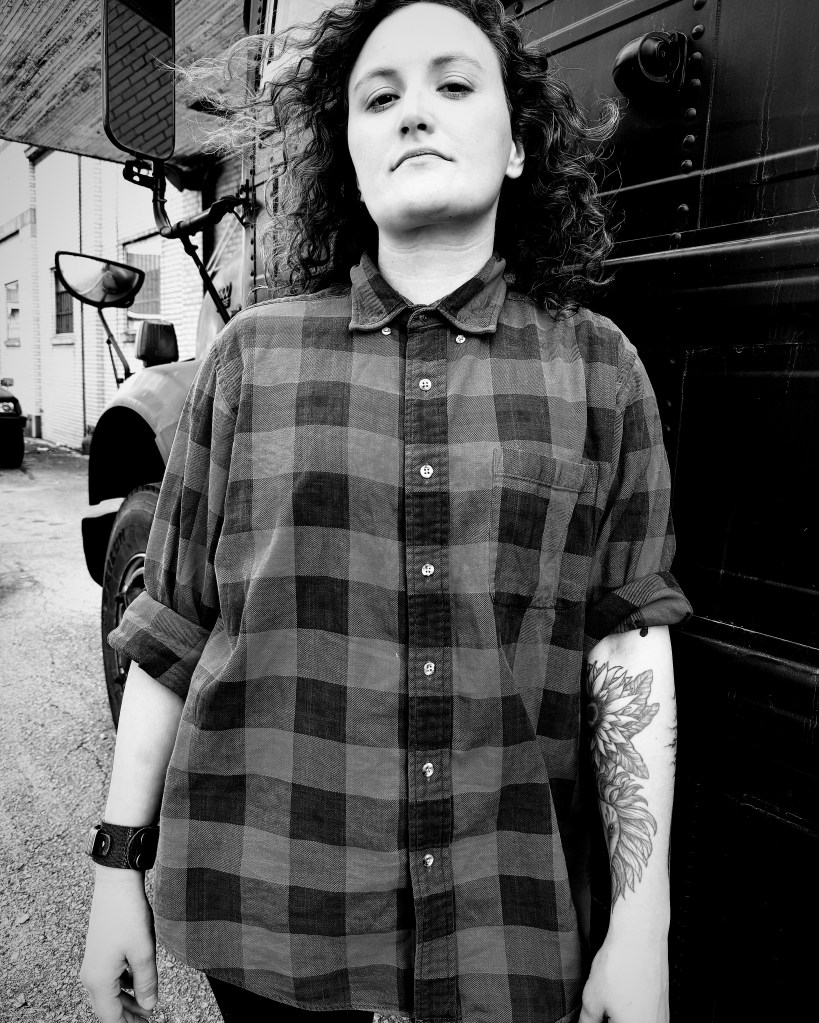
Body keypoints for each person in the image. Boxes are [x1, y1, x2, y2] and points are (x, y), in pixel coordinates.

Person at [79, 2, 692, 1022]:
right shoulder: (250, 359)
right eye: (380, 97)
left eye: (453, 84)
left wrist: (641, 921)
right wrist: (115, 868)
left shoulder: (599, 370)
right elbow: (172, 630)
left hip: (503, 914)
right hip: (269, 902)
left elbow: (627, 649)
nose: (414, 111)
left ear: (516, 147)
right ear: (351, 157)